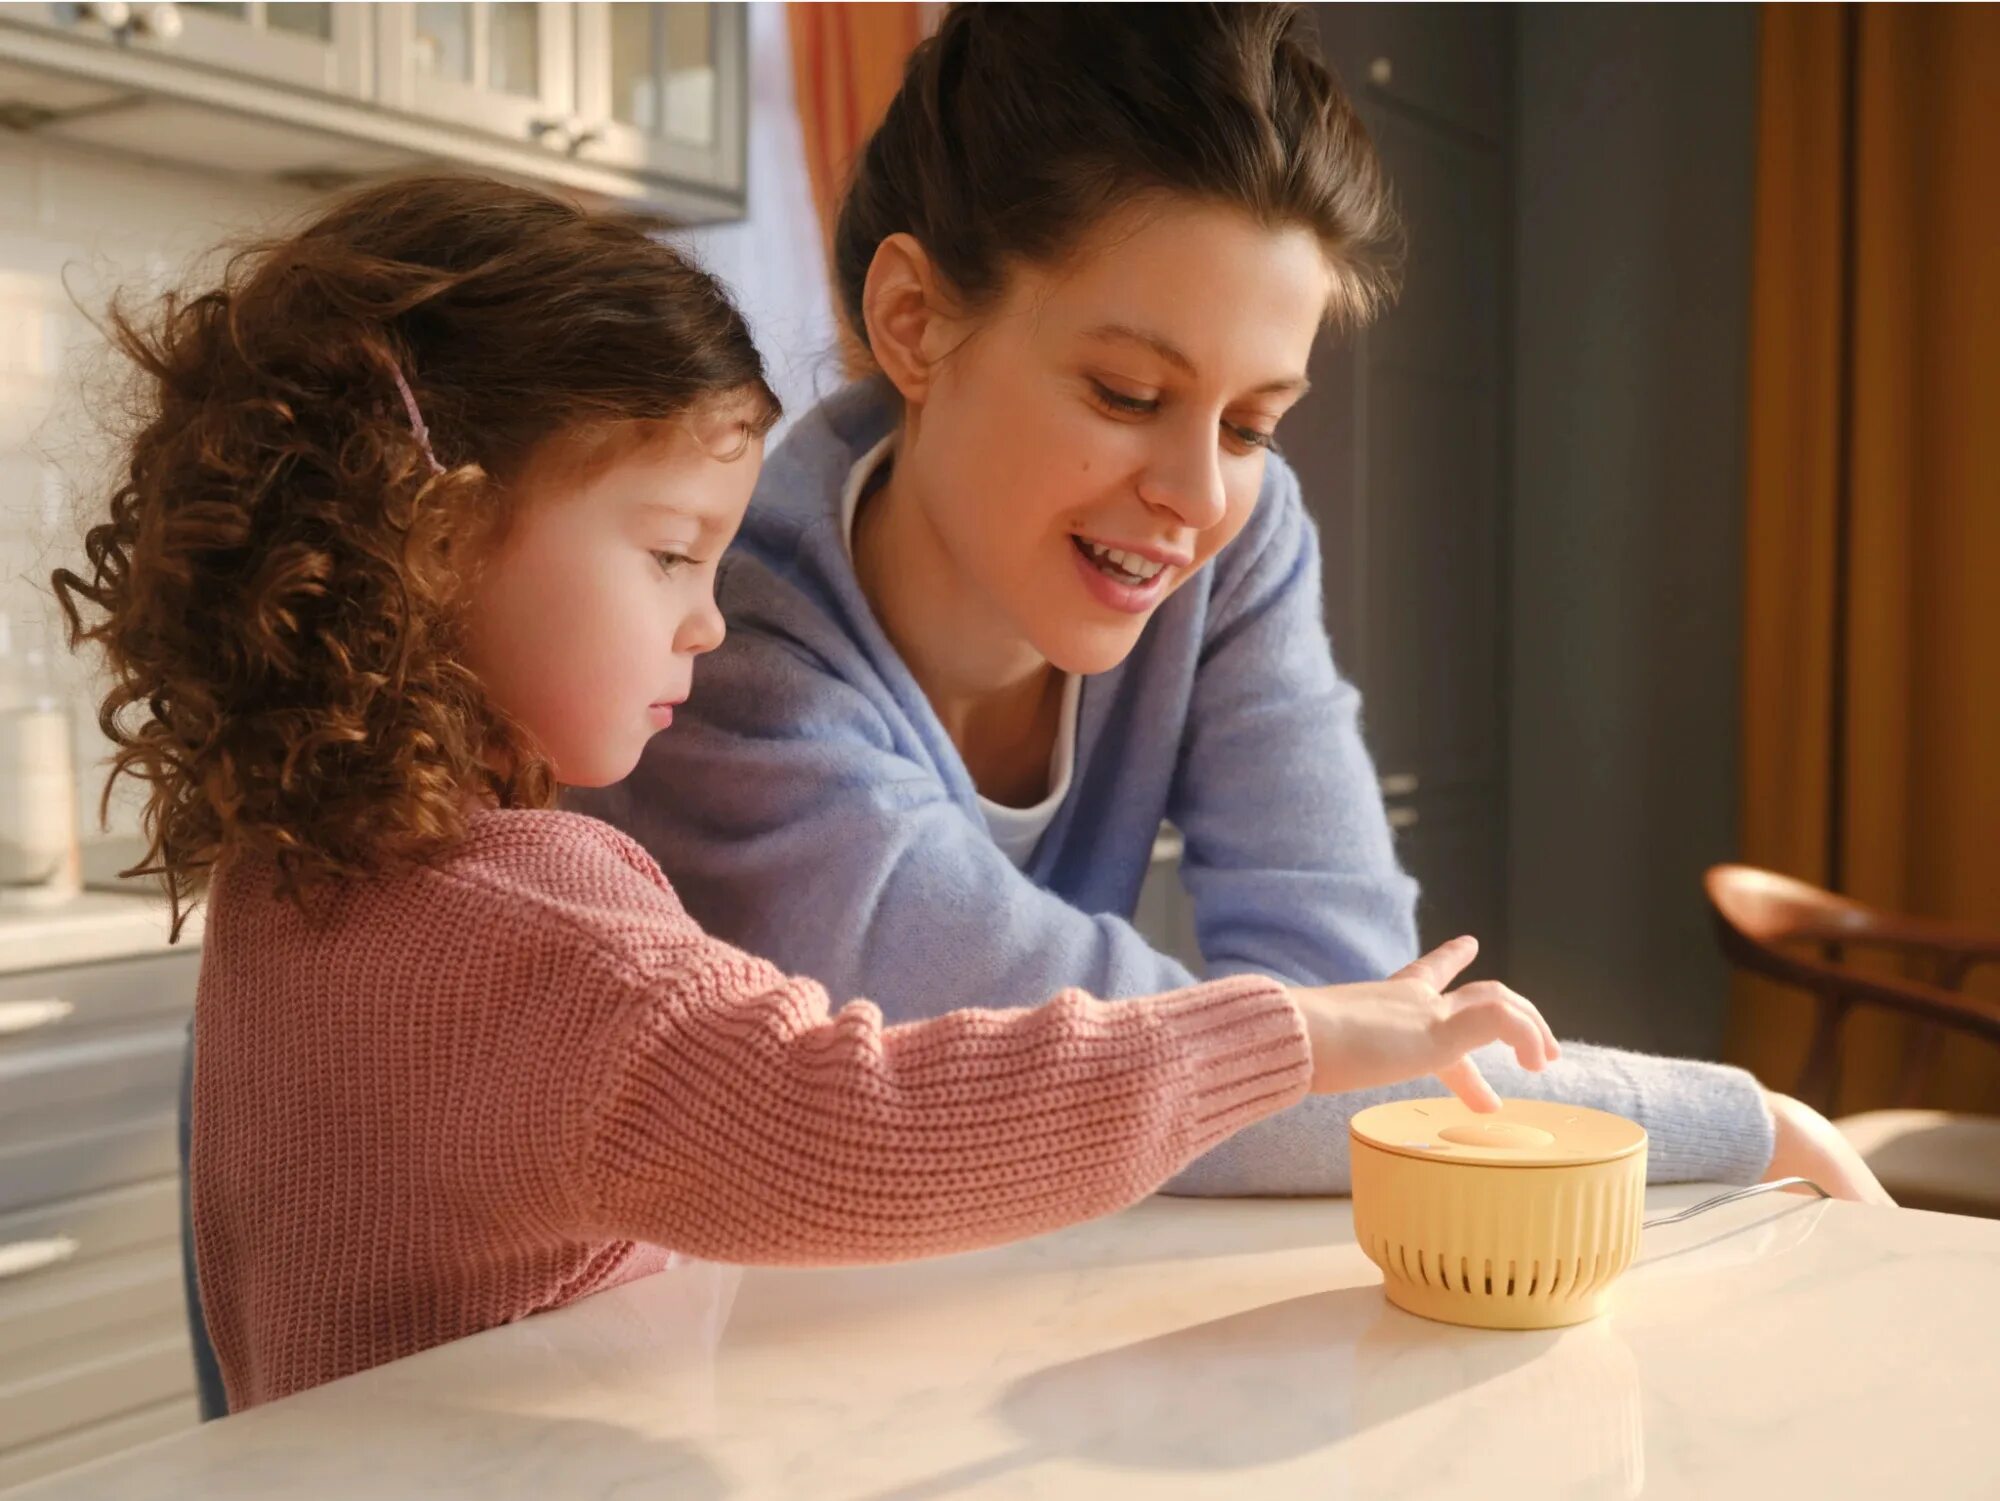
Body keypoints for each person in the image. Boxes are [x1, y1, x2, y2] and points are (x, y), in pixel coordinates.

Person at [54, 173, 1566, 1414]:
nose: (711, 623)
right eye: (665, 554)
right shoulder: (535, 930)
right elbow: (858, 1118)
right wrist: (1292, 1032)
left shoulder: (287, 879)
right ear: (439, 540)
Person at [572, 4, 1893, 1206]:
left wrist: (1334, 1060)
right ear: (914, 322)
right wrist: (1744, 1120)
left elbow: (1352, 1006)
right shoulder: (724, 658)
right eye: (1128, 395)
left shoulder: (1235, 540)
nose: (1197, 494)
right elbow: (1102, 1071)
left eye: (1254, 422)